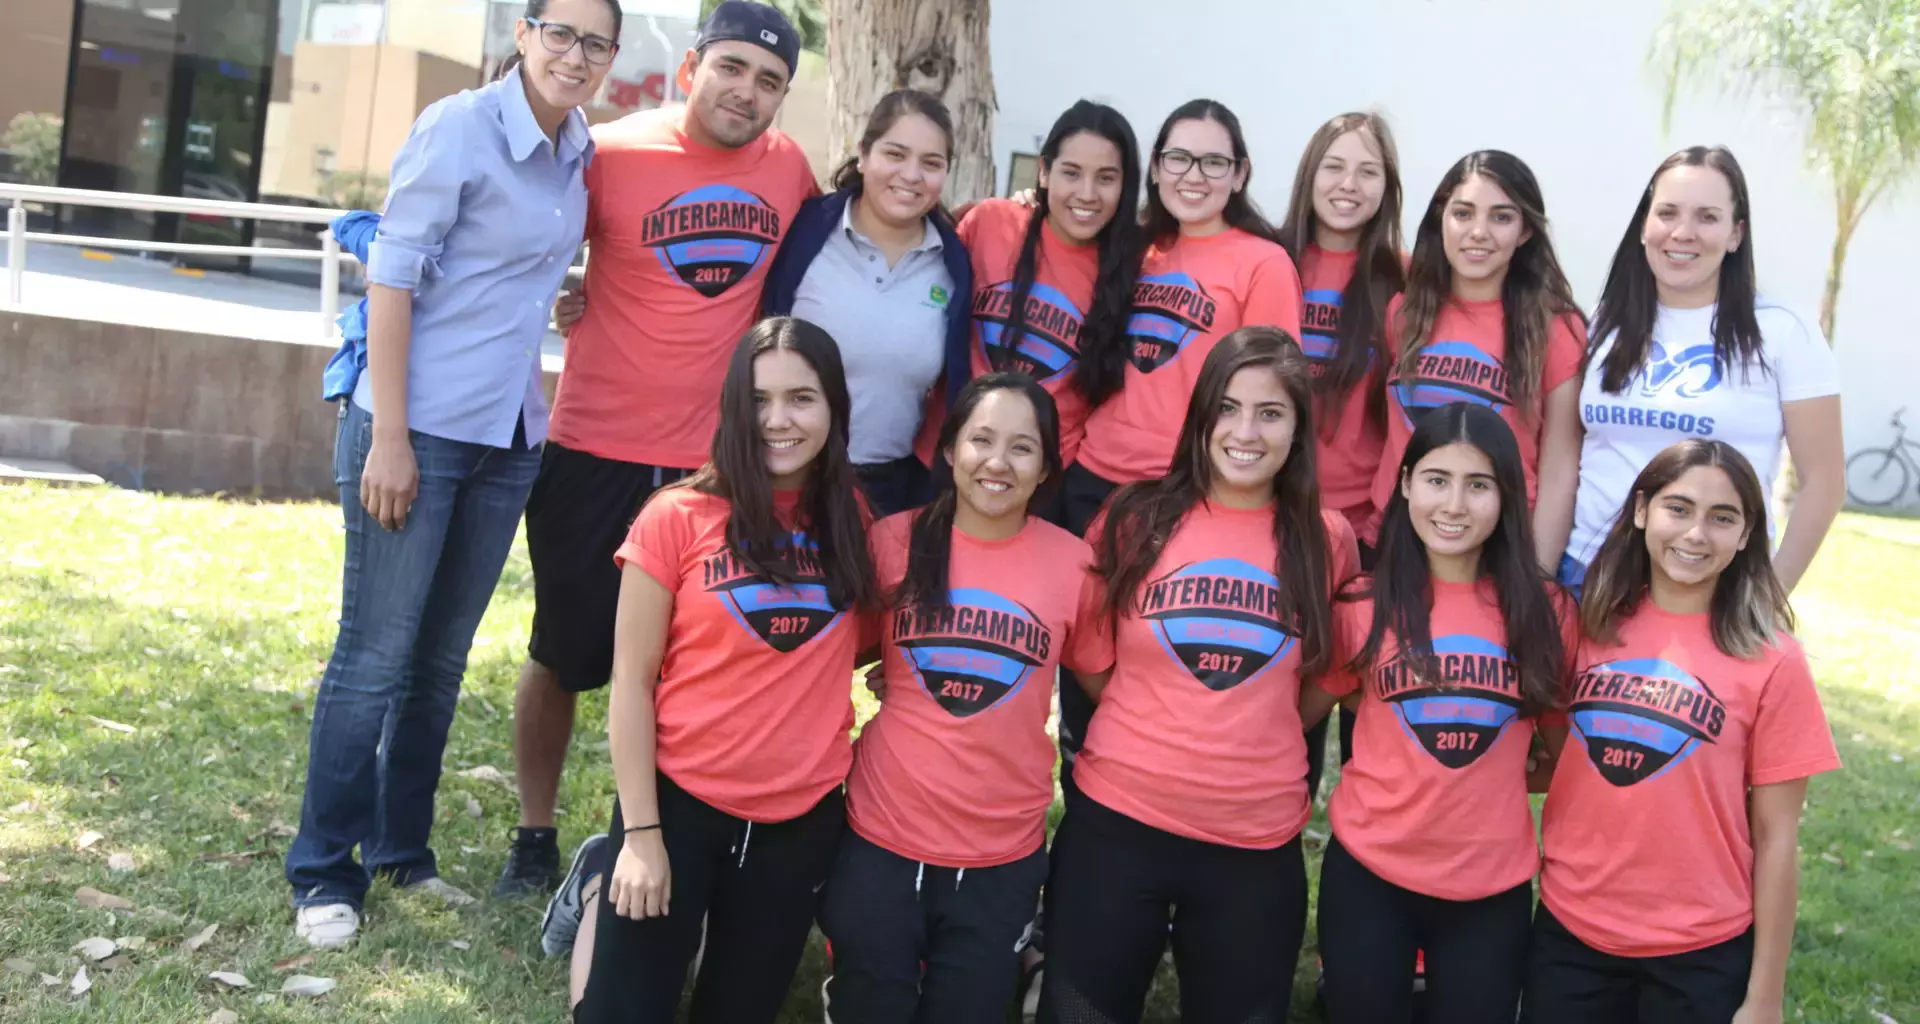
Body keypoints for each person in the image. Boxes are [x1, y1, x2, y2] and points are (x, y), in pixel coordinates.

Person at [284, 0, 618, 950]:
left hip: (509, 435)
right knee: (373, 657)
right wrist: (389, 433)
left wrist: (568, 289)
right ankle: (323, 871)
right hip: (417, 428)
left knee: (438, 664)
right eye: (561, 34)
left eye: (596, 43)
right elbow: (392, 280)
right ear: (524, 33)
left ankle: (402, 853)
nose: (576, 55)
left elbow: (508, 272)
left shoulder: (578, 149)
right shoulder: (459, 127)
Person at [497, 0, 816, 908]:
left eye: (768, 82)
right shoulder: (613, 151)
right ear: (692, 69)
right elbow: (535, 241)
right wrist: (568, 291)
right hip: (593, 446)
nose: (745, 93)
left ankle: (639, 832)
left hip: (713, 470)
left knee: (686, 670)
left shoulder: (791, 170)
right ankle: (533, 832)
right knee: (562, 652)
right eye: (731, 69)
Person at [1040, 327, 1360, 1024]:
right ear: (1202, 416)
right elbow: (1096, 663)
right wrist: (1155, 720)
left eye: (1271, 413)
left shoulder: (1325, 541)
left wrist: (1254, 727)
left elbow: (1321, 683)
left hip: (1252, 844)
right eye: (1229, 407)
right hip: (1118, 827)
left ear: (1299, 428)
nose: (1246, 431)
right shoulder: (1135, 517)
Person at [572, 317, 879, 1022]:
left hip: (797, 822)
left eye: (802, 398)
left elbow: (860, 643)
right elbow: (631, 682)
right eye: (759, 398)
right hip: (678, 807)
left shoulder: (851, 520)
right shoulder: (674, 517)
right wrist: (642, 838)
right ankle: (598, 884)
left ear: (834, 408)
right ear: (734, 407)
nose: (779, 419)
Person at [819, 373, 1112, 1023]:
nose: (998, 462)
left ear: (1045, 470)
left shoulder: (1074, 565)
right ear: (950, 449)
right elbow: (833, 654)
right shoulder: (892, 542)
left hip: (1000, 848)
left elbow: (1106, 686)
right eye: (981, 439)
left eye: (1022, 448)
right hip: (883, 833)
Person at [1525, 439, 1841, 1023]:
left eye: (1723, 518)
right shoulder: (1585, 624)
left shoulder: (1773, 660)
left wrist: (1765, 997)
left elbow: (1776, 840)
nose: (1696, 534)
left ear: (1747, 536)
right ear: (1642, 510)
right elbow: (1556, 754)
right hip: (1573, 932)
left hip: (1701, 948)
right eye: (1679, 508)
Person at [1055, 97, 1304, 828]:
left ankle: (1177, 845)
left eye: (1213, 160)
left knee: (1166, 675)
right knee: (1086, 683)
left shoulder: (1262, 262)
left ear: (1240, 173)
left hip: (1185, 496)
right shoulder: (1131, 248)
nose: (1193, 174)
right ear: (1155, 168)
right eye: (1177, 158)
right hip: (1095, 484)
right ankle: (1087, 862)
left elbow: (1275, 390)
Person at [1302, 402, 1573, 1023]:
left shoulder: (1546, 612)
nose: (1453, 505)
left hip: (1490, 889)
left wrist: (1484, 783)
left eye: (1478, 485)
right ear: (1403, 485)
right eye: (1436, 480)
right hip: (1370, 876)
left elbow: (1562, 757)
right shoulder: (1365, 604)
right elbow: (1301, 713)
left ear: (1509, 495)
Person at [1564, 146, 1843, 596]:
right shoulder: (1598, 326)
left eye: (1707, 217)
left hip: (1714, 585)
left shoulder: (1783, 332)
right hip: (1585, 577)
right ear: (1643, 225)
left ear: (1736, 234)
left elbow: (1824, 482)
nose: (1683, 232)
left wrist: (1769, 598)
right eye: (1667, 212)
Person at [913, 99, 1147, 520]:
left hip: (1040, 483)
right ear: (1044, 170)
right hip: (946, 458)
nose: (1087, 194)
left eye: (1106, 178)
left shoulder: (1135, 268)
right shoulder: (989, 223)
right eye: (1071, 173)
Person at [1274, 109, 1409, 802]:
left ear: (1389, 187)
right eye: (1335, 166)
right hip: (1272, 523)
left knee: (1351, 711)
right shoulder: (1269, 260)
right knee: (1265, 701)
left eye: (1368, 171)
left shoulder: (1404, 281)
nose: (1349, 185)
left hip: (1361, 535)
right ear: (1309, 174)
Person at [761, 89, 974, 517]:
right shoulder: (803, 231)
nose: (911, 175)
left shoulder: (954, 265)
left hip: (894, 493)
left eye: (931, 163)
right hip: (785, 476)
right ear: (863, 155)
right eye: (895, 154)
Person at [1373, 150, 1586, 577]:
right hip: (1396, 543)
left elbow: (1561, 466)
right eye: (1463, 213)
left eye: (1501, 217)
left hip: (1495, 550)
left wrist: (1537, 574)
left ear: (1526, 230)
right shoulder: (1404, 311)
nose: (1478, 232)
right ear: (1441, 219)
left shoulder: (1555, 327)